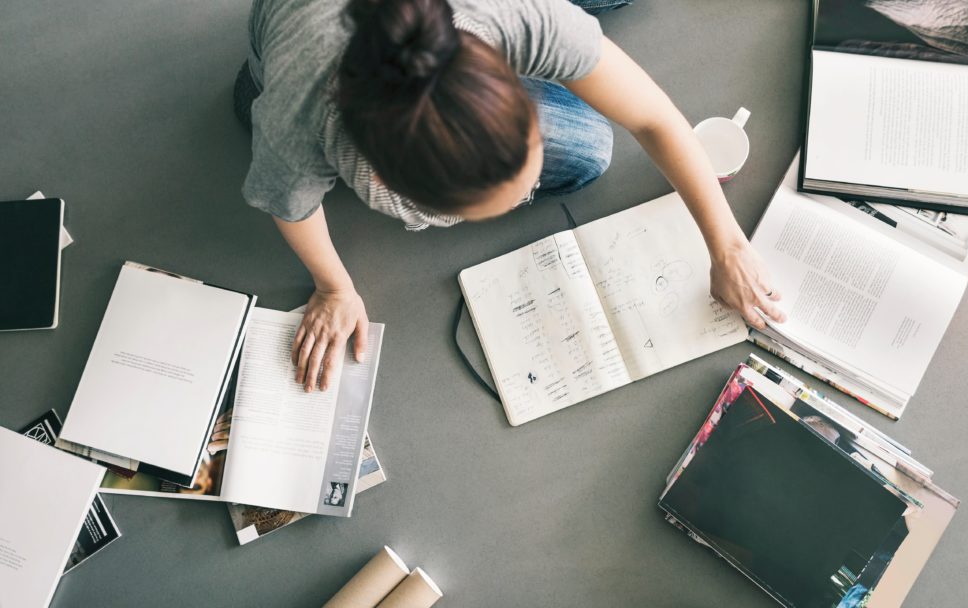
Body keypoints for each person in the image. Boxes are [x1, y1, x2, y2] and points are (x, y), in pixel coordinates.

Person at [234, 0, 786, 392]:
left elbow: (653, 116)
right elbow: (292, 206)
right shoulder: (293, 122)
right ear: (388, 188)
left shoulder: (514, 15)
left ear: (503, 69)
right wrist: (334, 288)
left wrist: (728, 245)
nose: (531, 190)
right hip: (289, 46)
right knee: (591, 149)